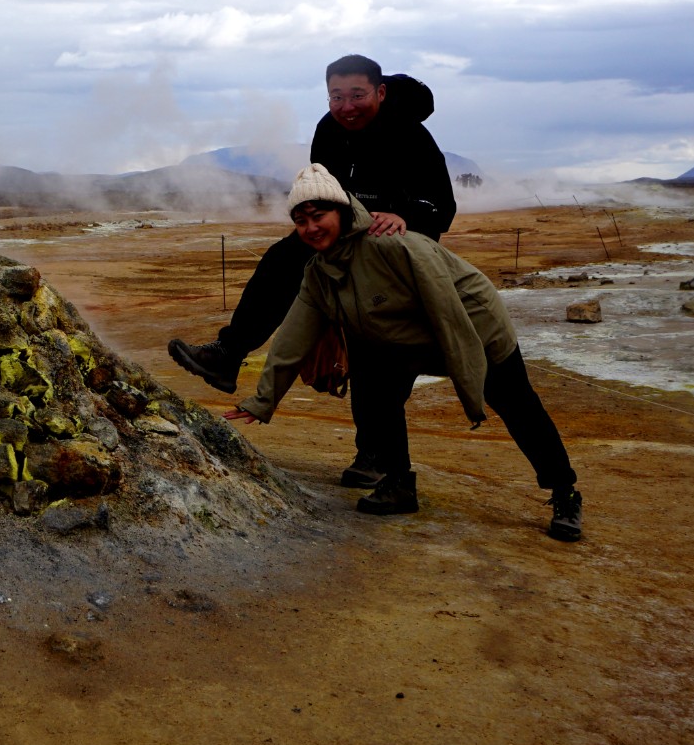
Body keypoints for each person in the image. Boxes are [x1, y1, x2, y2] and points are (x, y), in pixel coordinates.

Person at [225, 164, 583, 541]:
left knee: (517, 406)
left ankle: (565, 493)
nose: (310, 227)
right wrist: (262, 401)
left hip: (473, 328)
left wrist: (468, 378)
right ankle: (398, 483)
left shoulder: (390, 243)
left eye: (318, 216)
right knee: (377, 393)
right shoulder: (319, 273)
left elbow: (446, 307)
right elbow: (292, 339)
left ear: (343, 211)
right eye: (300, 221)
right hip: (404, 338)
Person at [169, 53, 455, 488]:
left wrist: (405, 218)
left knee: (373, 349)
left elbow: (441, 203)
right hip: (345, 239)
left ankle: (374, 454)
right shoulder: (328, 129)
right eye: (336, 96)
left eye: (356, 95)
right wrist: (312, 228)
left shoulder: (412, 135)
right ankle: (228, 356)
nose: (346, 106)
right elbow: (324, 192)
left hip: (393, 249)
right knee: (281, 260)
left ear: (379, 92)